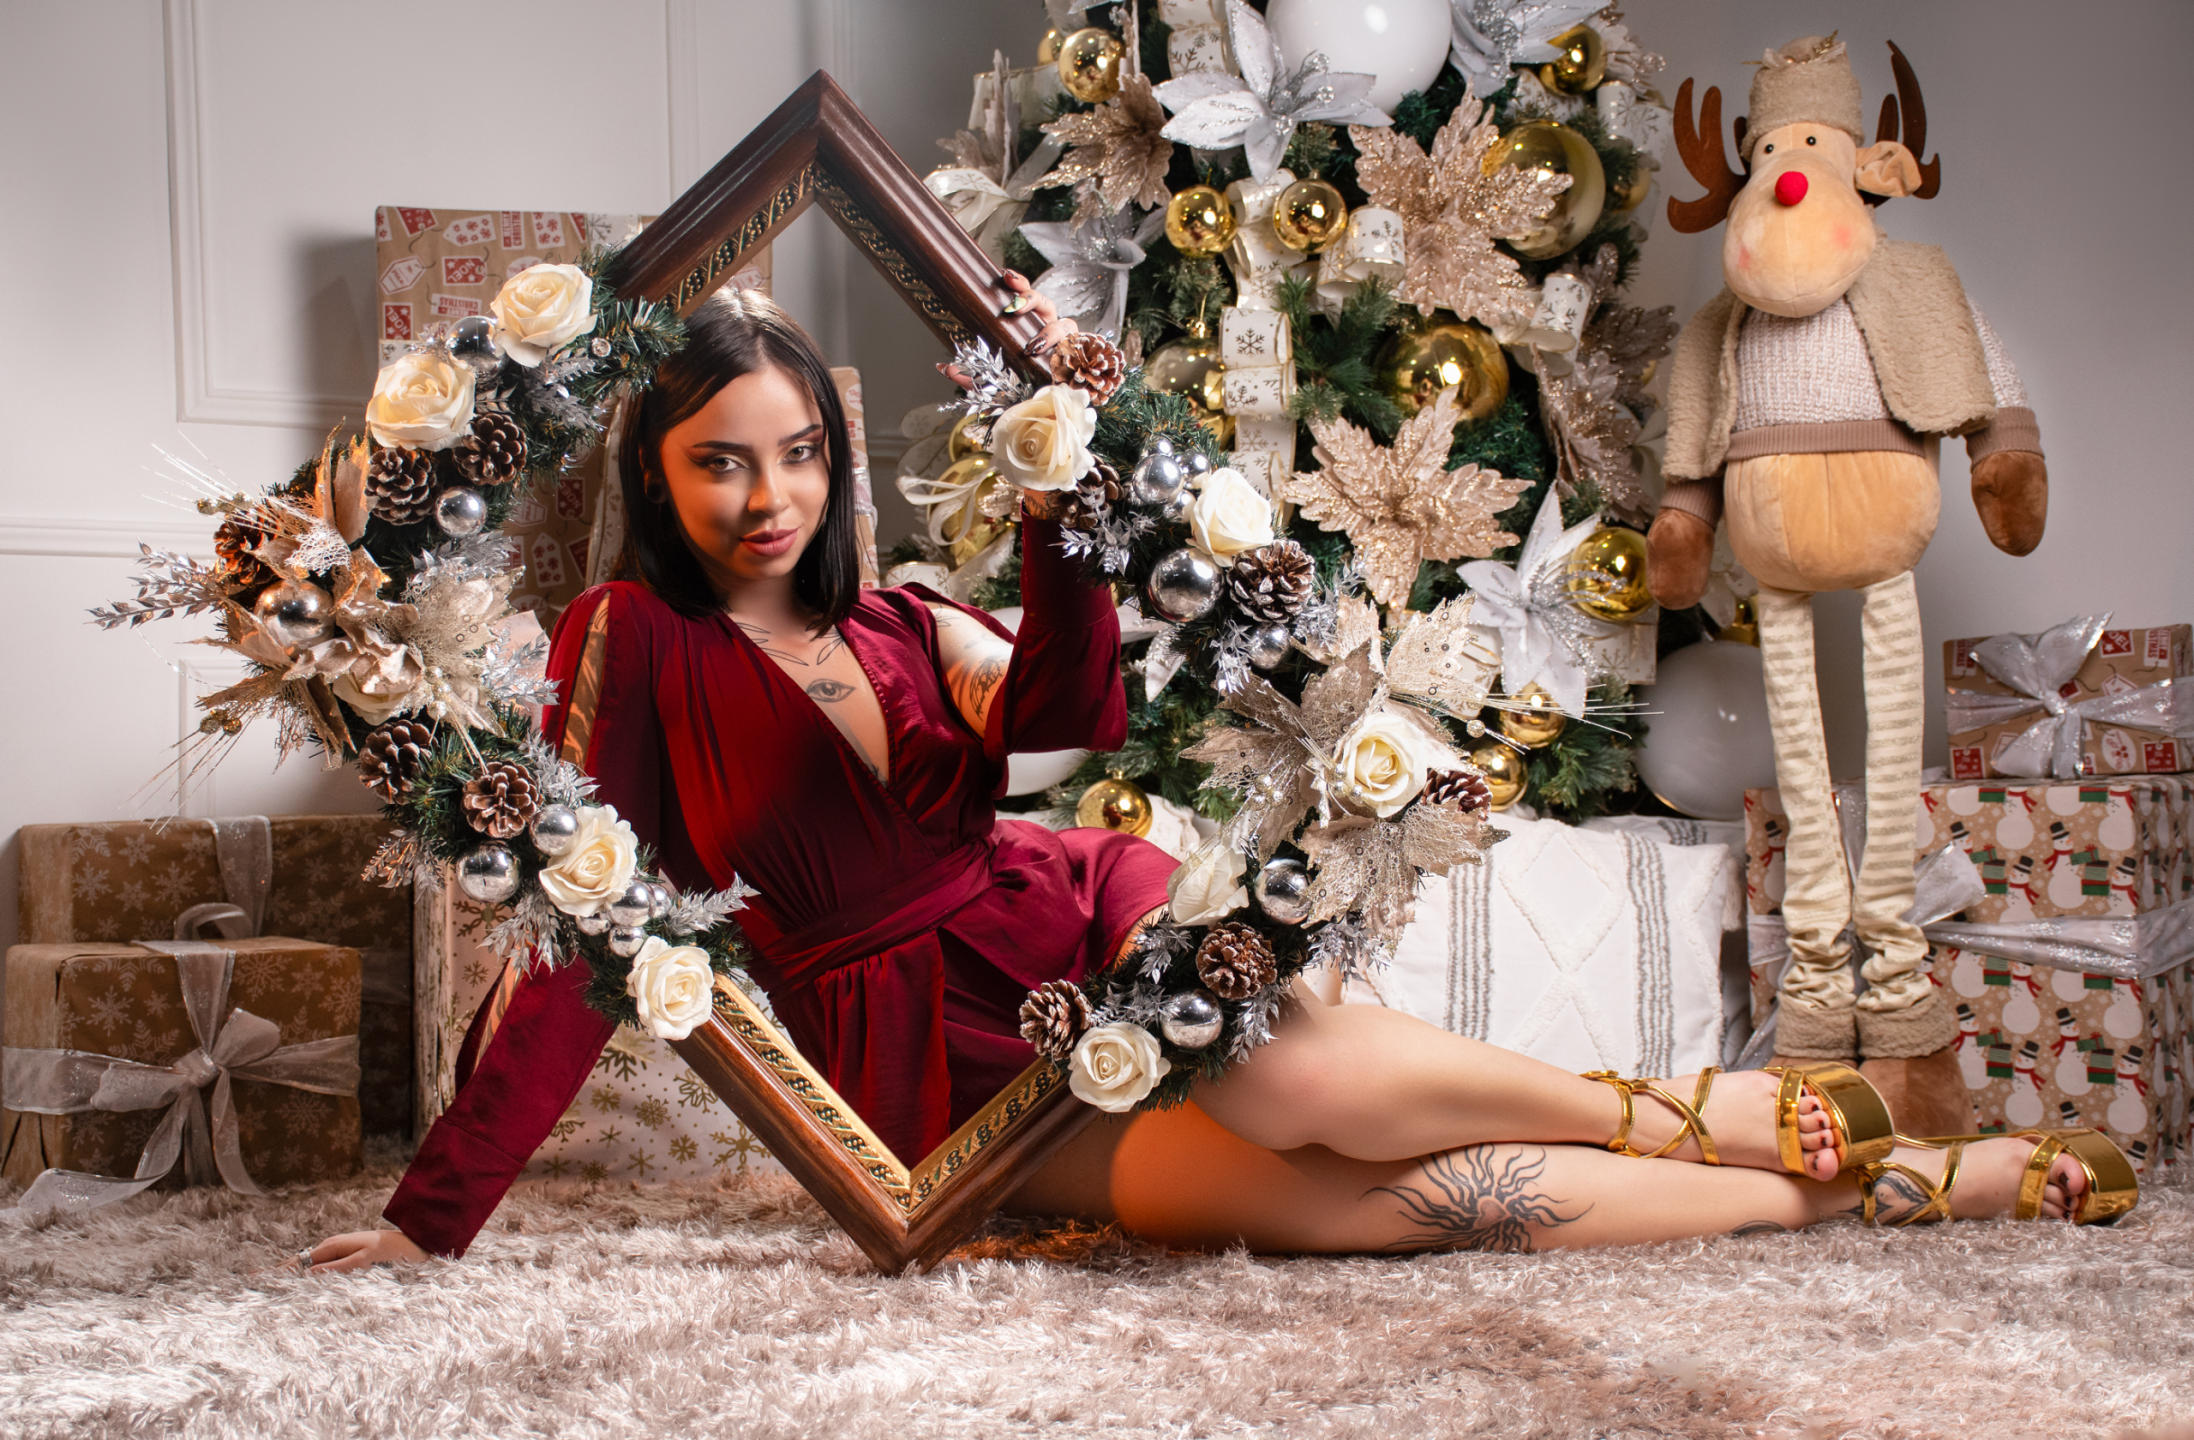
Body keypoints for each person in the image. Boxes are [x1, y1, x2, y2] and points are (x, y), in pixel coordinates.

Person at [304, 279, 2133, 1273]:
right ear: (660, 471)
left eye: (794, 455)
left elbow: (1072, 710)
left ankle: (1721, 1112)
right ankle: (1873, 1188)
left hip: (1067, 925)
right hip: (920, 1067)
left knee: (1296, 1076)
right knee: (1351, 1206)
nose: (766, 494)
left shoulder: (905, 618)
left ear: (832, 469)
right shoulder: (629, 642)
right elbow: (583, 937)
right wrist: (431, 1216)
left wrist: (1060, 508)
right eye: (720, 461)